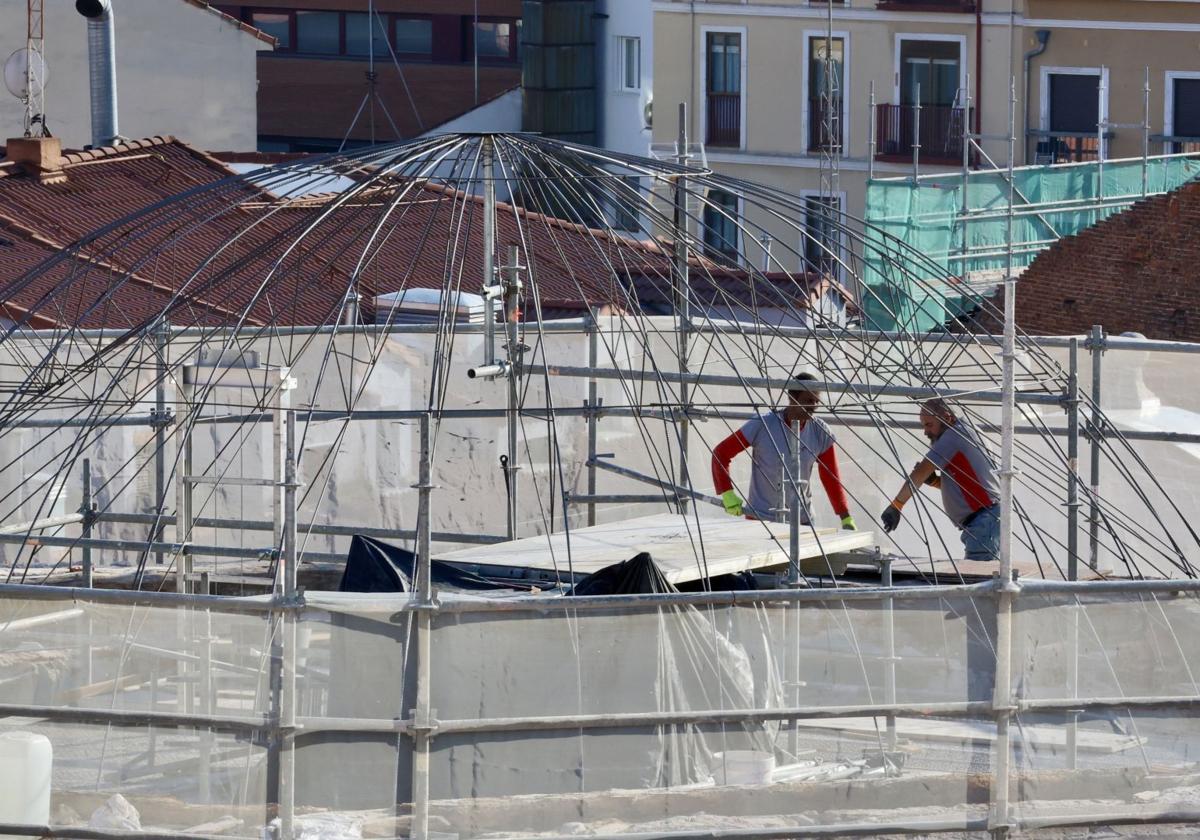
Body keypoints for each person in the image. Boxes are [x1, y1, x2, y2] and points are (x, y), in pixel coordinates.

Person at [711, 373, 856, 529]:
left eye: (816, 401)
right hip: (762, 520)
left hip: (802, 521)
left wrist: (845, 516)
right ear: (792, 398)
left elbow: (830, 476)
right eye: (808, 400)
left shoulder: (820, 431)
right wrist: (726, 492)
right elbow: (721, 453)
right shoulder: (763, 424)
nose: (813, 406)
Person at [879, 397, 1000, 561]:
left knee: (978, 581)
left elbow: (921, 472)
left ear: (947, 418)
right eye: (923, 425)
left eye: (929, 425)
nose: (925, 432)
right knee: (981, 579)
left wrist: (897, 505)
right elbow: (967, 486)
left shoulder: (953, 435)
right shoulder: (965, 430)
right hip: (985, 521)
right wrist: (935, 481)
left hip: (983, 521)